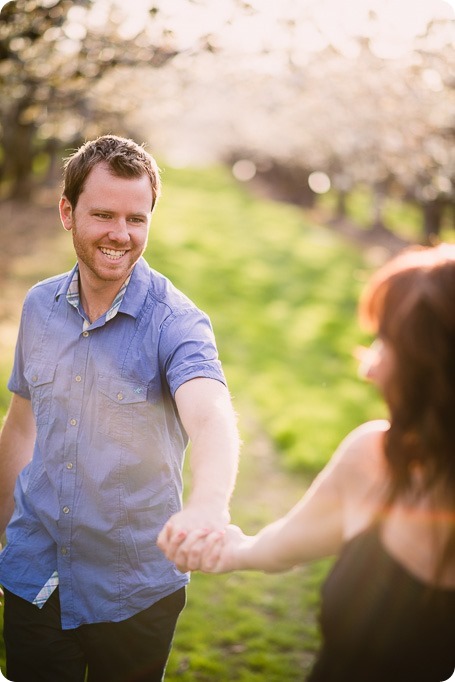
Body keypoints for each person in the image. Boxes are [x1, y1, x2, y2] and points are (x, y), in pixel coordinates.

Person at [0, 134, 240, 682]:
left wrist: (208, 506)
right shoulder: (39, 306)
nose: (121, 234)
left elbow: (211, 419)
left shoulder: (177, 323)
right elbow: (20, 428)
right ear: (67, 212)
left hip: (133, 593)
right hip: (34, 576)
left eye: (137, 218)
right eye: (104, 214)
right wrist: (3, 544)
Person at [160, 243, 455, 682]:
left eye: (386, 344)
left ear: (433, 367)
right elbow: (281, 545)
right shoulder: (371, 459)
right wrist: (226, 548)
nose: (368, 369)